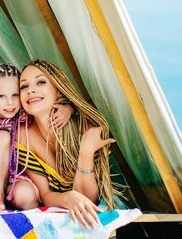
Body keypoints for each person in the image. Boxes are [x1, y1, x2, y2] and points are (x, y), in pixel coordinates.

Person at [11, 60, 118, 228]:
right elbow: (45, 194)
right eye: (24, 86)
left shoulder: (87, 127)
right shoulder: (22, 137)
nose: (30, 90)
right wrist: (67, 198)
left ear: (59, 92)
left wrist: (86, 153)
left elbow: (88, 200)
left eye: (41, 82)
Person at [0, 63, 75, 210]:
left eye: (15, 95)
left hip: (20, 175)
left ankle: (36, 212)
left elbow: (48, 105)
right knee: (1, 136)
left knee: (24, 195)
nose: (10, 103)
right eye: (1, 96)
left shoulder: (24, 112)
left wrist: (69, 108)